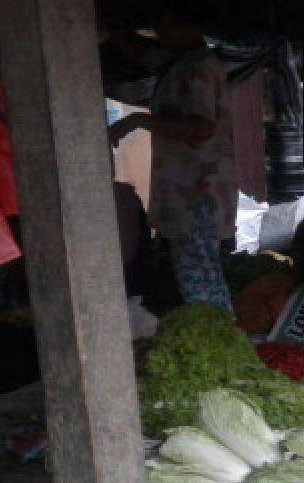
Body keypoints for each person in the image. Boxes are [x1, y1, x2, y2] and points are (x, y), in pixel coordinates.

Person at [107, 6, 236, 311]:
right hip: (185, 190)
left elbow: (202, 127)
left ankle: (218, 341)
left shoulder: (199, 67)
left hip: (197, 192)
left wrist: (138, 121)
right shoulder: (181, 61)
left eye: (161, 22)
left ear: (183, 23)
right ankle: (218, 337)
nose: (158, 32)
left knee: (200, 280)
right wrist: (110, 27)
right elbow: (145, 53)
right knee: (195, 274)